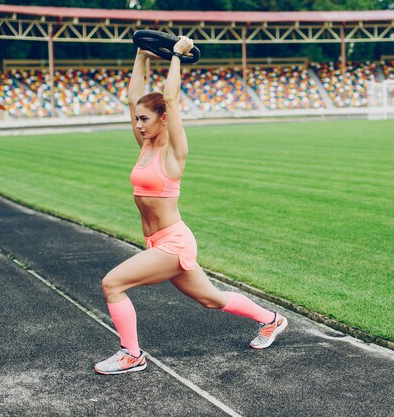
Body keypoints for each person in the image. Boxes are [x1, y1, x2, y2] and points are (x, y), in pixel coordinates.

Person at [94, 36, 288, 375]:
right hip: (159, 243)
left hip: (173, 244)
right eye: (137, 119)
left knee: (113, 283)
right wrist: (141, 55)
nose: (138, 125)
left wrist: (176, 57)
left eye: (144, 119)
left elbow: (170, 98)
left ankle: (131, 354)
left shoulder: (173, 153)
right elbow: (131, 98)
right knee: (211, 299)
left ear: (163, 118)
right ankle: (272, 319)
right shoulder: (145, 147)